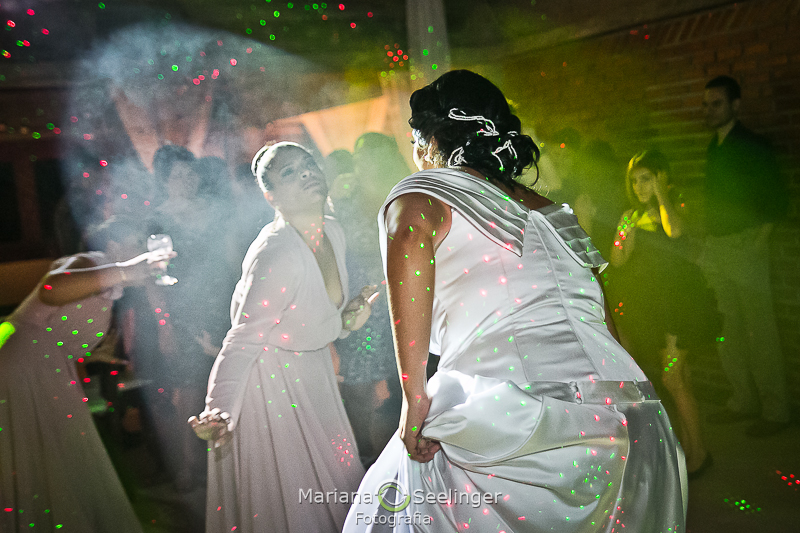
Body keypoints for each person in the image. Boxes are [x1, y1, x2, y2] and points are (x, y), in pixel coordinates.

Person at [343, 70, 686, 532]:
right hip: (624, 415)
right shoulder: (555, 212)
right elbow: (602, 312)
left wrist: (414, 395)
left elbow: (409, 238)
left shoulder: (428, 192)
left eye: (414, 142)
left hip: (515, 411)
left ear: (429, 141)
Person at [189, 142, 371, 532]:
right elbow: (243, 338)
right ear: (270, 196)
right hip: (272, 385)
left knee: (337, 482)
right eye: (289, 172)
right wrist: (218, 409)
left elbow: (311, 318)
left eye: (308, 164)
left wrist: (347, 320)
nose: (306, 172)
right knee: (296, 497)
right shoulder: (277, 252)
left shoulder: (333, 231)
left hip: (315, 375)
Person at [0, 236, 172, 533]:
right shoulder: (92, 261)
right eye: (138, 242)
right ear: (115, 243)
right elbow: (51, 289)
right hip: (22, 364)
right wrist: (127, 270)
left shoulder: (110, 286)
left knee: (50, 458)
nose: (144, 252)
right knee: (38, 454)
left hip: (43, 364)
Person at [608, 150, 719, 478]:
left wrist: (660, 196)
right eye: (634, 180)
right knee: (679, 379)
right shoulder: (632, 215)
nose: (639, 186)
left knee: (673, 378)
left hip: (681, 305)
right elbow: (618, 259)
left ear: (661, 177)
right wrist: (625, 231)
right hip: (656, 307)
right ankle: (691, 447)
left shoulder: (676, 205)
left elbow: (674, 231)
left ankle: (699, 453)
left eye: (646, 178)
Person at [700, 76, 791, 436]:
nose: (709, 111)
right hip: (719, 245)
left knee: (759, 329)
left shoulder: (753, 144)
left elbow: (777, 200)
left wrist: (757, 242)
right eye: (706, 104)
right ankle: (743, 400)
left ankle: (776, 410)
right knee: (729, 329)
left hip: (745, 244)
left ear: (735, 105)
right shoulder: (715, 146)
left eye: (717, 104)